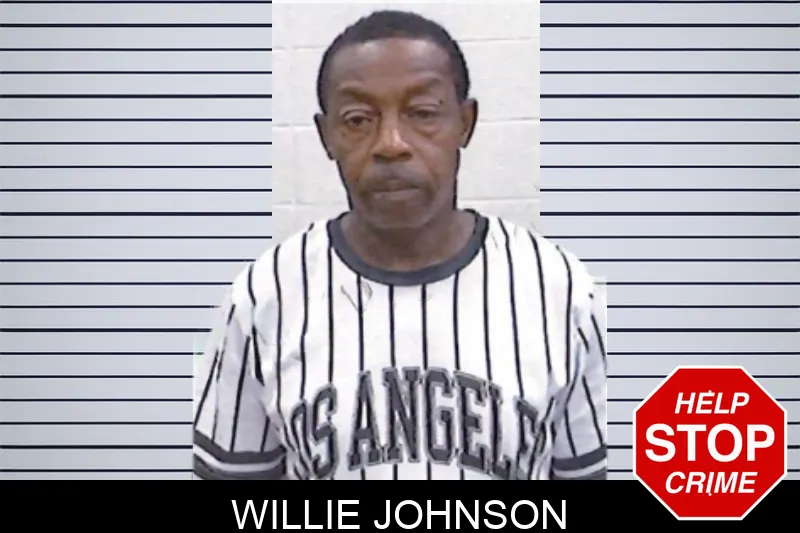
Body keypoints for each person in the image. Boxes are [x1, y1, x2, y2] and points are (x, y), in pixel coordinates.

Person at [193, 9, 607, 481]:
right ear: (327, 136)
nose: (390, 143)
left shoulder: (560, 289)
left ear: (465, 123)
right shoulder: (264, 296)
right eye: (358, 119)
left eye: (423, 113)